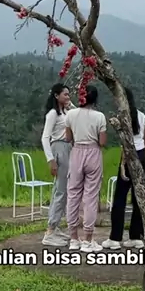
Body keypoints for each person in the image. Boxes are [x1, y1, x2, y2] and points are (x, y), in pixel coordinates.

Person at [102, 87, 145, 251]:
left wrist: (123, 164)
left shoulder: (122, 116)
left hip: (128, 156)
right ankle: (136, 237)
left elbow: (125, 143)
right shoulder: (141, 115)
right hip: (141, 155)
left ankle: (115, 238)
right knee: (139, 198)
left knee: (120, 198)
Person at [65, 84, 107, 254]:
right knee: (90, 197)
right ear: (95, 99)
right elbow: (102, 142)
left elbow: (68, 138)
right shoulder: (100, 116)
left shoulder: (71, 114)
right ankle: (88, 240)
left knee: (73, 194)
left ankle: (73, 238)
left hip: (76, 152)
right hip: (93, 153)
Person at [41, 82, 73, 247]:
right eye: (65, 94)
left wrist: (69, 104)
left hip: (67, 148)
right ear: (56, 95)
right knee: (61, 190)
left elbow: (76, 114)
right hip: (59, 148)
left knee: (60, 189)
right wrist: (51, 159)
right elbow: (45, 137)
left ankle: (55, 225)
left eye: (68, 94)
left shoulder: (65, 111)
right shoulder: (53, 114)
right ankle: (50, 230)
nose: (68, 96)